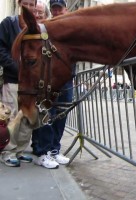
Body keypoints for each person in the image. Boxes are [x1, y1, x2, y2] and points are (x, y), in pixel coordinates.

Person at [32, 0, 73, 169]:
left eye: (59, 8)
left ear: (65, 9)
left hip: (67, 79)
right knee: (47, 114)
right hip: (49, 79)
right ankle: (43, 151)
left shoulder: (71, 27)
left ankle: (54, 149)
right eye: (54, 9)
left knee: (61, 116)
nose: (57, 12)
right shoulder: (45, 27)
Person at [0, 0, 38, 167]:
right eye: (26, 3)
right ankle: (8, 151)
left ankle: (20, 150)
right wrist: (15, 67)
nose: (28, 7)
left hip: (31, 84)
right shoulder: (8, 24)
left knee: (27, 119)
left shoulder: (36, 27)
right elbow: (0, 49)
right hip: (13, 79)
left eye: (32, 4)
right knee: (12, 116)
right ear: (19, 4)